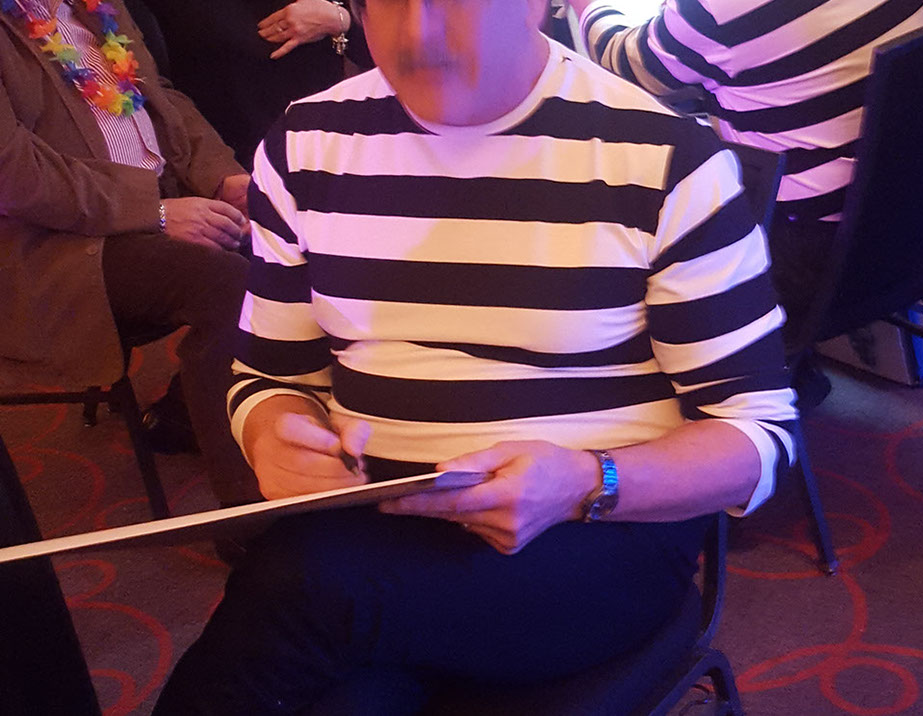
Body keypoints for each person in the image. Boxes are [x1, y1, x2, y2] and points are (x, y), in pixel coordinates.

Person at [152, 0, 797, 711]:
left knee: (300, 585)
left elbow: (756, 435)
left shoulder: (664, 156)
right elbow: (271, 374)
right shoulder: (306, 143)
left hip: (594, 534)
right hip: (376, 524)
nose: (418, 34)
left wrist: (587, 482)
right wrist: (272, 432)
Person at [0, 0, 260, 506]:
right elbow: (14, 175)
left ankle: (188, 410)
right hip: (51, 246)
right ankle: (251, 521)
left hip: (155, 200)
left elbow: (160, 96)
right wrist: (153, 212)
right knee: (226, 284)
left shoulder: (96, 5)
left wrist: (223, 177)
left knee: (288, 237)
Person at [568, 0, 923, 354]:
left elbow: (624, 60)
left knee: (608, 180)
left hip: (802, 258)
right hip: (910, 231)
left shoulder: (718, 11)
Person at [143, 0, 373, 168]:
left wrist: (338, 19)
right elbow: (149, 79)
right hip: (216, 156)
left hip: (320, 144)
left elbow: (376, 51)